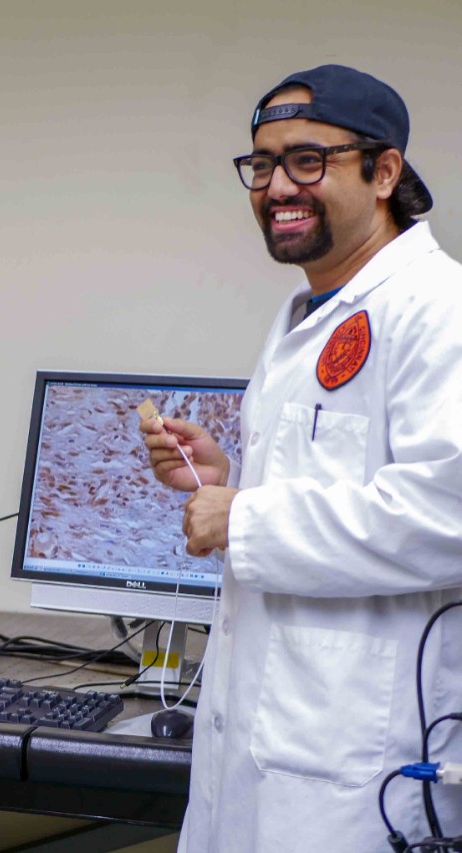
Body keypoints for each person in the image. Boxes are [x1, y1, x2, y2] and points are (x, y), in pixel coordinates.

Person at [141, 65, 462, 851]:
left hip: (360, 777)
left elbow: (446, 512)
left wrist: (243, 519)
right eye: (262, 164)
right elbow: (338, 488)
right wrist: (228, 480)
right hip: (269, 750)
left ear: (383, 172)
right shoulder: (308, 312)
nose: (278, 185)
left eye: (308, 160)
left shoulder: (438, 309)